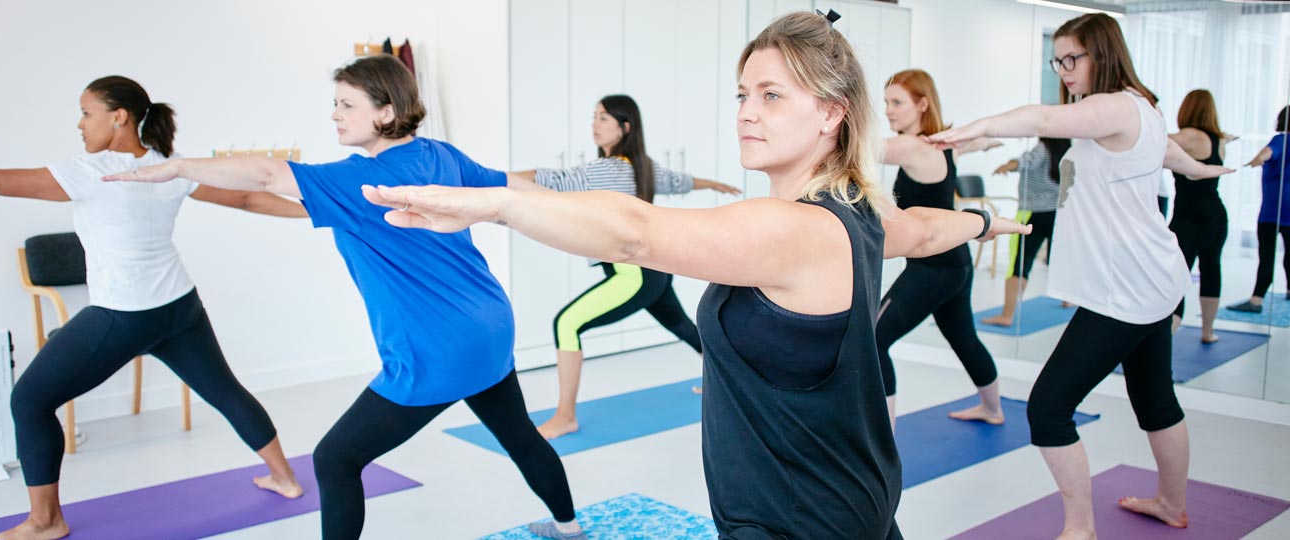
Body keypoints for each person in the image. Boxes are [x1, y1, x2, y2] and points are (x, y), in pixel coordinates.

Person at [362, 11, 1028, 539]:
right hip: (855, 494)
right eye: (743, 93)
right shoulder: (858, 214)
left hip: (796, 519)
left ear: (831, 113)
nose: (745, 111)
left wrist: (500, 205)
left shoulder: (793, 230)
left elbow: (638, 231)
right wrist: (981, 221)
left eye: (772, 95)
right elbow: (927, 228)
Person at [105, 55, 585, 540]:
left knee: (335, 458)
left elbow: (268, 176)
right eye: (335, 103)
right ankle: (569, 529)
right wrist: (581, 206)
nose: (335, 114)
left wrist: (179, 166)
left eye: (347, 105)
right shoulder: (441, 155)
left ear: (385, 111)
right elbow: (511, 187)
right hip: (490, 325)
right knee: (520, 435)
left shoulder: (360, 179)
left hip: (436, 347)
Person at [0, 75, 306, 540]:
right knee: (224, 390)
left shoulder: (93, 171)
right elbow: (249, 197)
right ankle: (286, 479)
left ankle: (45, 521)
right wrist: (323, 211)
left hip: (122, 316)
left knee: (29, 400)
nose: (80, 124)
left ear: (119, 117)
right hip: (178, 307)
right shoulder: (169, 166)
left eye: (87, 113)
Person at [928, 13, 1234, 540]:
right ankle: (1170, 502)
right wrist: (1198, 170)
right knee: (1156, 397)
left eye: (1074, 58)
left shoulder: (1110, 106)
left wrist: (977, 126)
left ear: (1104, 53)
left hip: (1126, 290)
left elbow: (1044, 120)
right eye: (1059, 59)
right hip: (1153, 279)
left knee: (1049, 409)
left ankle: (1080, 528)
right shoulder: (1141, 107)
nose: (1065, 69)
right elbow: (1166, 151)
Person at [515, 93, 741, 438]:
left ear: (625, 127)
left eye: (603, 118)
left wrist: (485, 177)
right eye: (594, 116)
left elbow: (554, 179)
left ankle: (565, 416)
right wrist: (714, 184)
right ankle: (731, 385)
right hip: (655, 268)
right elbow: (679, 182)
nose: (595, 124)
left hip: (631, 274)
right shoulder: (643, 166)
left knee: (567, 324)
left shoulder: (609, 169)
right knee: (680, 324)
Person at [878, 68, 1006, 426]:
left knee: (872, 341)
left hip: (932, 270)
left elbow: (859, 148)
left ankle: (881, 440)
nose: (888, 110)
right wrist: (986, 141)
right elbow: (977, 141)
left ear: (922, 104)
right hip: (955, 264)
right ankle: (993, 409)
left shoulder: (912, 146)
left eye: (897, 102)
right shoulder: (944, 145)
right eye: (886, 102)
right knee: (965, 340)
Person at [1167, 89, 1236, 342]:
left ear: (1187, 109)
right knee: (1211, 269)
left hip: (1188, 219)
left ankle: (1169, 335)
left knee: (1176, 277)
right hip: (1217, 217)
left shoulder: (1188, 136)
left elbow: (1152, 140)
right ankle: (1208, 332)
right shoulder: (1218, 141)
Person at [981, 137, 1071, 327]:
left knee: (1020, 264)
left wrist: (1008, 165)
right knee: (1063, 259)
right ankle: (1068, 299)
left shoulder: (1043, 147)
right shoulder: (1066, 150)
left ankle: (1007, 314)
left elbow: (1025, 162)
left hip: (1035, 214)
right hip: (1058, 213)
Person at [1227, 105, 1290, 314]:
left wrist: (1257, 160)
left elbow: (1268, 153)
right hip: (1283, 212)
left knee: (1267, 257)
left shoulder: (1281, 139)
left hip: (1272, 213)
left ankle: (1256, 301)